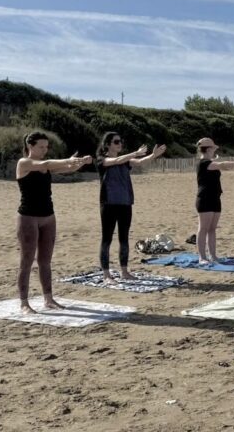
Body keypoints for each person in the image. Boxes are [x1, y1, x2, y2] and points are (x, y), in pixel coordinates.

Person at [15, 132, 92, 314]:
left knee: (45, 261)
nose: (45, 149)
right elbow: (47, 164)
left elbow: (67, 169)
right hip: (28, 218)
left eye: (46, 147)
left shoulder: (46, 166)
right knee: (26, 261)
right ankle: (24, 303)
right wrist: (68, 160)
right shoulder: (24, 163)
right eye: (41, 146)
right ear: (30, 146)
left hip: (48, 217)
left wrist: (79, 162)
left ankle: (48, 299)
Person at [95, 132, 166, 284]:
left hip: (125, 203)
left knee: (124, 238)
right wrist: (135, 153)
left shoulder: (125, 161)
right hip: (108, 203)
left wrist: (153, 155)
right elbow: (116, 160)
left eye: (120, 141)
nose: (119, 144)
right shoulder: (102, 160)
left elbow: (139, 163)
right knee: (107, 239)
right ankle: (106, 275)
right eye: (116, 142)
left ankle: (124, 271)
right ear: (107, 144)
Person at [194, 137, 234, 265]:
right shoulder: (204, 163)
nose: (214, 150)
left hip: (215, 198)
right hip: (204, 198)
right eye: (212, 148)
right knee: (203, 228)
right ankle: (202, 257)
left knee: (212, 228)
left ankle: (213, 256)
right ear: (209, 149)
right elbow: (222, 165)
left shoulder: (209, 161)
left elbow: (218, 164)